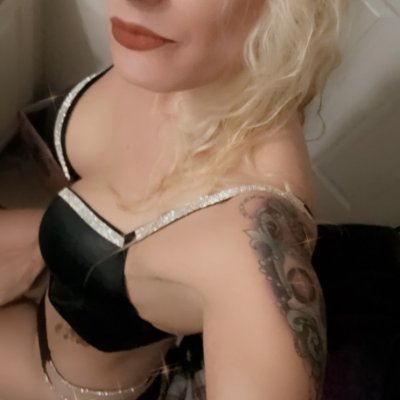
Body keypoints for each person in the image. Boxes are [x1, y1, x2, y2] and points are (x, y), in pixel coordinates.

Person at [0, 0, 347, 399]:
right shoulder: (174, 60)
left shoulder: (246, 245)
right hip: (55, 271)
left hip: (56, 378)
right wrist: (44, 252)